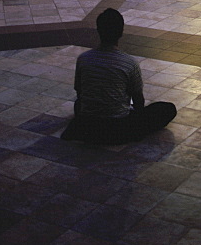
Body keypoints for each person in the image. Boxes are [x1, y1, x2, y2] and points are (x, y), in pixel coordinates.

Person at [60, 8, 177, 144]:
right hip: (117, 125)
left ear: (98, 31)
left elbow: (80, 91)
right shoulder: (129, 63)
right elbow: (138, 100)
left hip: (88, 122)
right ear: (121, 32)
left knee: (78, 104)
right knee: (167, 109)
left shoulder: (84, 59)